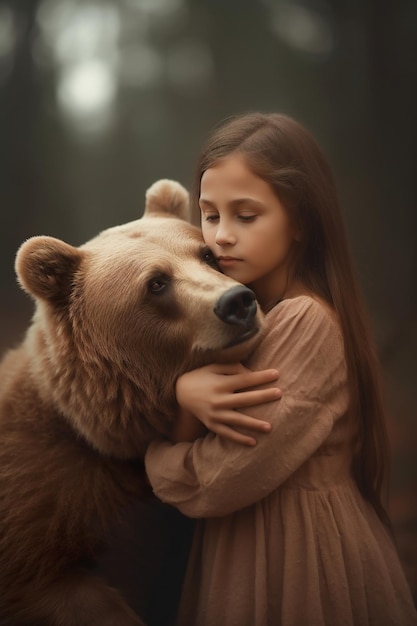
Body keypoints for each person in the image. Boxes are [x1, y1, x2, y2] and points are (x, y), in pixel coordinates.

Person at [144, 112, 417, 625]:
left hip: (298, 561)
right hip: (241, 553)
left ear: (300, 221)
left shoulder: (305, 321)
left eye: (246, 216)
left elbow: (220, 479)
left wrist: (154, 460)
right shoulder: (240, 321)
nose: (221, 236)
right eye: (209, 215)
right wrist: (183, 389)